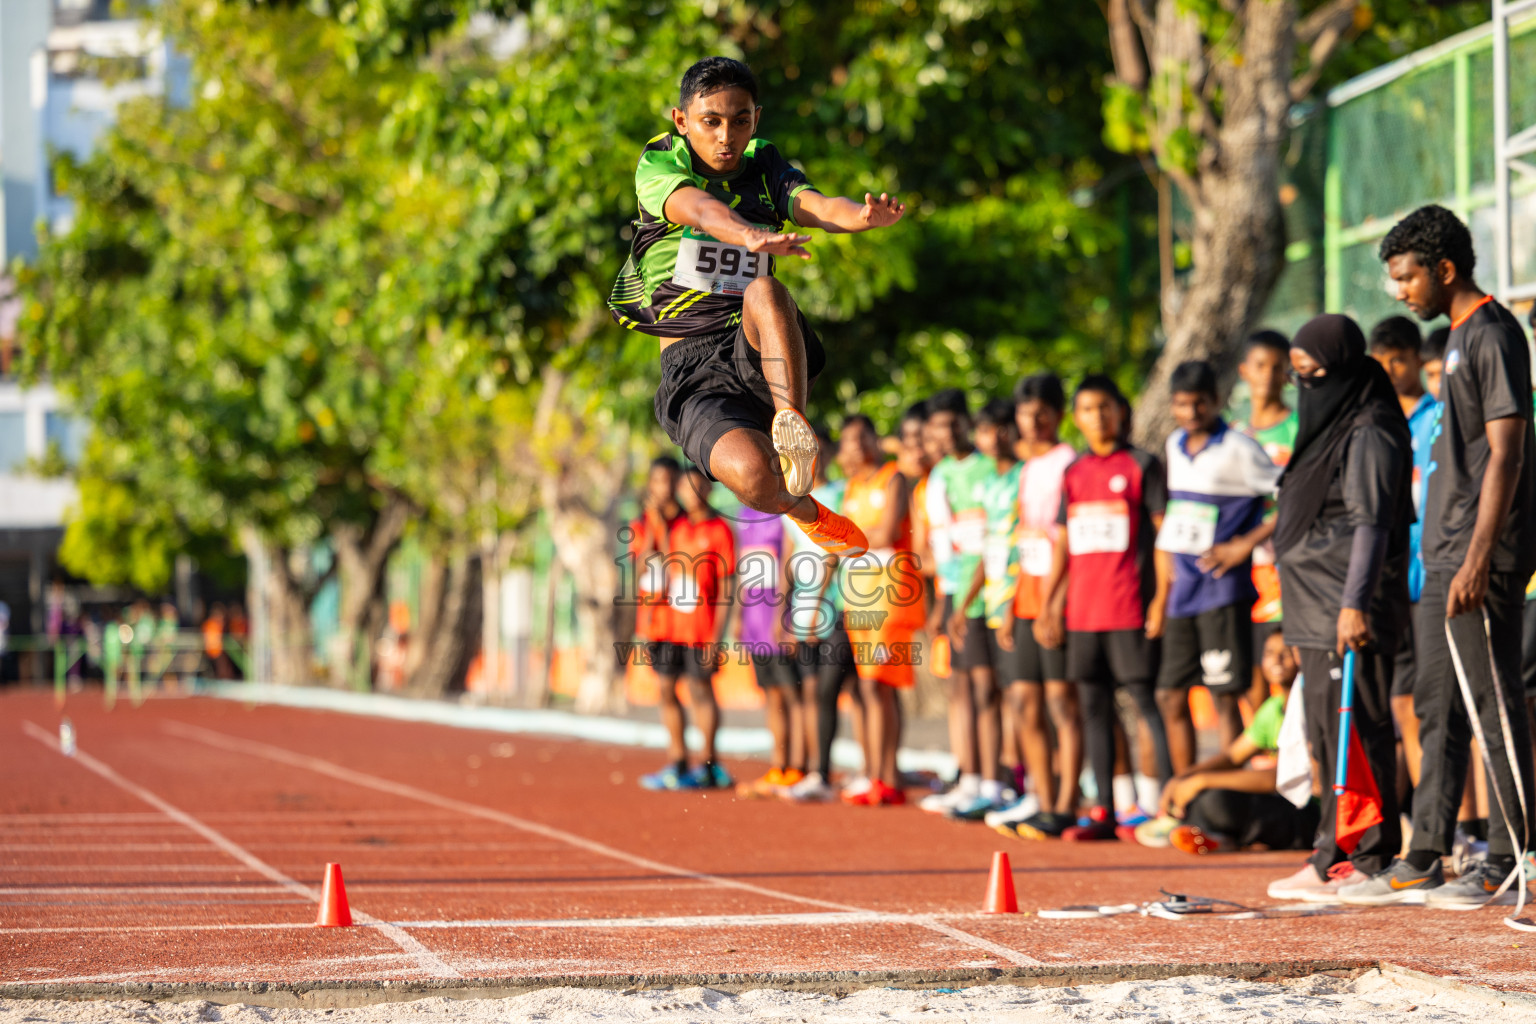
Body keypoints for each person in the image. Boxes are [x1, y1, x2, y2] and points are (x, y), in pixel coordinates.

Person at [609, 57, 904, 560]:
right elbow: (699, 209)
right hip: (691, 369)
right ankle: (806, 510)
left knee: (764, 292)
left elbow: (815, 203)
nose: (727, 136)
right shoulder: (662, 159)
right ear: (682, 121)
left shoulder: (764, 163)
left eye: (740, 121)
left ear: (756, 119)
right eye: (711, 122)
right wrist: (748, 235)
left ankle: (793, 428)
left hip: (760, 345)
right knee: (751, 477)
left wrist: (860, 216)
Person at [1341, 205, 1536, 907]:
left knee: (1494, 704)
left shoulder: (1491, 332)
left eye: (1406, 276)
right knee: (1436, 707)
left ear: (1444, 269)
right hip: (1442, 555)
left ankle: (1513, 856)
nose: (1399, 291)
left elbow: (1508, 452)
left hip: (1479, 555)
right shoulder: (1452, 339)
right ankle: (1426, 852)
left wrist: (1481, 555)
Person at [1265, 313, 1411, 903]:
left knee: (1358, 729)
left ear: (1344, 370)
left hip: (1348, 606)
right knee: (1328, 733)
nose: (1305, 386)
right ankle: (1334, 850)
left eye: (1313, 374)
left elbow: (1372, 525)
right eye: (1296, 375)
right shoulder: (1332, 424)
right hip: (1313, 605)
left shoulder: (1370, 430)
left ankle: (1366, 854)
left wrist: (1353, 606)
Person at [1032, 375, 1173, 841]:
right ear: (1078, 418)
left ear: (1122, 411)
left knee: (1145, 703)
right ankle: (1107, 812)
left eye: (1106, 407)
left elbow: (1163, 538)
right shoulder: (1074, 473)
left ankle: (1164, 806)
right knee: (1094, 709)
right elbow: (1065, 546)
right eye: (1089, 409)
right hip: (1083, 614)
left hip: (1130, 608)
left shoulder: (1142, 465)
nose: (1098, 417)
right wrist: (1051, 603)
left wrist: (1160, 599)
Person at [1151, 360, 1280, 810]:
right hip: (1182, 591)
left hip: (1223, 591)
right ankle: (1180, 794)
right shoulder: (1173, 444)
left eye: (1199, 403)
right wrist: (1163, 585)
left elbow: (1291, 497)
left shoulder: (1240, 448)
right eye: (1182, 404)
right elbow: (1175, 517)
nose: (1190, 412)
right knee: (1170, 693)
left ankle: (1226, 801)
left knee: (1226, 696)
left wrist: (1244, 544)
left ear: (1217, 400)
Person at [997, 374, 1083, 839]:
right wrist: (1012, 601)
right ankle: (1043, 801)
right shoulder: (1027, 469)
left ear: (1057, 414)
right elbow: (1023, 540)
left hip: (1059, 599)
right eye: (1024, 412)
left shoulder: (1068, 462)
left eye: (1041, 412)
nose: (1032, 421)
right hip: (1026, 596)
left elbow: (1067, 543)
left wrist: (1054, 603)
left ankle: (1067, 804)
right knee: (1026, 703)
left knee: (1061, 703)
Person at [1160, 628, 1319, 855]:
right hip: (1281, 804)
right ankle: (1213, 836)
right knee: (1199, 797)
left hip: (1310, 812)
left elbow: (1283, 777)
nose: (1277, 660)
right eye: (1269, 653)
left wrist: (1202, 780)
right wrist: (1183, 778)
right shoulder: (1272, 708)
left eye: (1286, 652)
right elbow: (1232, 756)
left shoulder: (1311, 708)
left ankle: (1219, 835)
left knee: (1217, 800)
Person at [920, 389, 1002, 815]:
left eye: (954, 424)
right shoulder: (938, 477)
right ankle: (969, 777)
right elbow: (942, 545)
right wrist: (941, 603)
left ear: (966, 424)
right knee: (963, 689)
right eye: (939, 426)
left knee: (989, 690)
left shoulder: (988, 468)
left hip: (992, 593)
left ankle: (995, 779)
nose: (946, 433)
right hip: (955, 596)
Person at [1367, 316, 1435, 803]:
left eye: (1400, 360)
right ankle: (1419, 819)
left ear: (1418, 361)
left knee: (1440, 704)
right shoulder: (1373, 419)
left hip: (1436, 578)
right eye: (1382, 360)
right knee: (1404, 704)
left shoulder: (1441, 415)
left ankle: (1464, 827)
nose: (1391, 369)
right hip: (1393, 582)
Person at [837, 415, 920, 806]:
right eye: (847, 440)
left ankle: (887, 776)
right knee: (865, 687)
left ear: (874, 438)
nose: (854, 446)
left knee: (877, 684)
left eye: (860, 437)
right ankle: (873, 773)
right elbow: (838, 543)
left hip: (890, 592)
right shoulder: (852, 487)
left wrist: (849, 539)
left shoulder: (893, 477)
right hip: (858, 595)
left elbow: (886, 534)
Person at [641, 466, 737, 791]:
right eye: (685, 488)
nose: (690, 494)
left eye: (697, 487)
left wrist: (716, 637)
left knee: (701, 691)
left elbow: (727, 588)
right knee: (667, 689)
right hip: (669, 627)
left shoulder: (720, 531)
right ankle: (678, 760)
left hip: (701, 628)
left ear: (709, 491)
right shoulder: (676, 528)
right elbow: (652, 568)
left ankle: (709, 765)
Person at [781, 427, 862, 802]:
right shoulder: (791, 498)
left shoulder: (838, 494)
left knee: (833, 690)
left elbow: (832, 551)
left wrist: (814, 609)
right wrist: (786, 611)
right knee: (812, 691)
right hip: (802, 608)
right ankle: (817, 770)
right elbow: (789, 556)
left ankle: (828, 773)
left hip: (832, 607)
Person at [950, 399, 1023, 820]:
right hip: (985, 600)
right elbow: (984, 550)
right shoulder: (989, 485)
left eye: (999, 429)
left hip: (1017, 600)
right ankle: (989, 783)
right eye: (984, 430)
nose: (991, 438)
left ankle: (1014, 781)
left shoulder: (1021, 477)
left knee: (1018, 696)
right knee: (985, 694)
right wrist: (962, 603)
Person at [1231, 331, 1297, 714]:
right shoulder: (1234, 434)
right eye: (1260, 366)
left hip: (1285, 565)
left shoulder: (1300, 427)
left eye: (1278, 367)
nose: (1268, 376)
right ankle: (1261, 761)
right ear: (1244, 371)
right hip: (1243, 569)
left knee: (1284, 660)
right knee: (1252, 668)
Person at [734, 505, 804, 796]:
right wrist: (739, 615)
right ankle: (779, 766)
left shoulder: (784, 511)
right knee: (771, 694)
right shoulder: (742, 515)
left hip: (779, 619)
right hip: (753, 622)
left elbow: (790, 562)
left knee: (793, 695)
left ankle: (801, 767)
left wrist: (782, 614)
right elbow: (744, 569)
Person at [628, 456, 684, 667]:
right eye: (659, 480)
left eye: (670, 480)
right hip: (654, 618)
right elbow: (640, 569)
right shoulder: (641, 523)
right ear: (650, 484)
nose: (664, 487)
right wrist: (654, 526)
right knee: (664, 687)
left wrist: (663, 526)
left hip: (682, 617)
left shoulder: (686, 521)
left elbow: (677, 565)